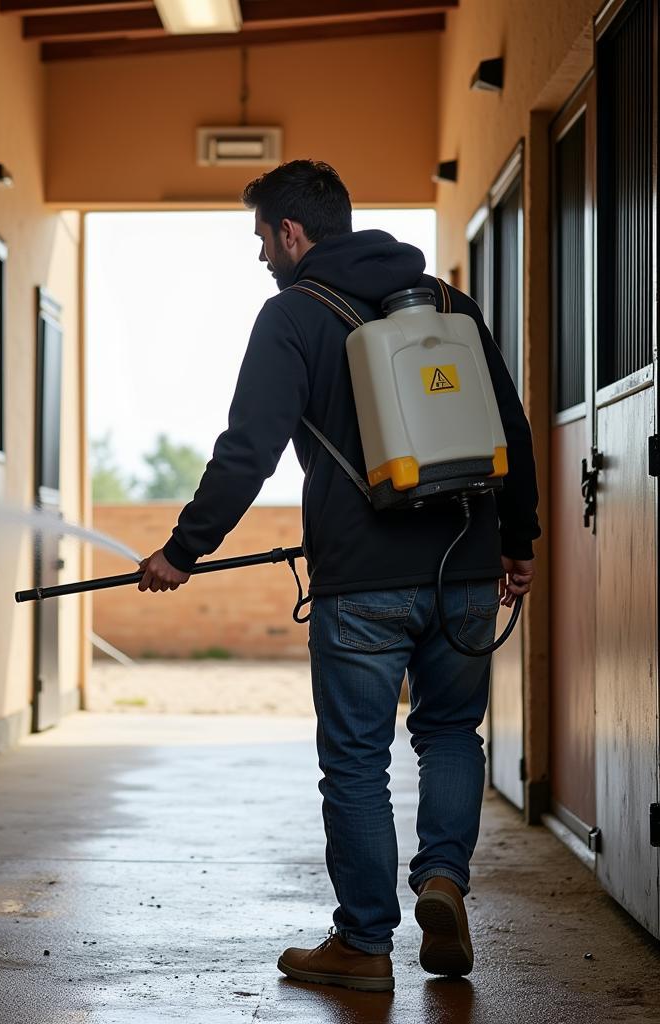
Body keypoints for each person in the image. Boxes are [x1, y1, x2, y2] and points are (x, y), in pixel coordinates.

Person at [137, 160, 539, 993]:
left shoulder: (292, 315)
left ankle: (363, 944)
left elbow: (246, 450)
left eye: (261, 238)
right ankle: (442, 881)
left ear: (292, 232)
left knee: (357, 759)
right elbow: (512, 425)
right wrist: (519, 540)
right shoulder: (446, 304)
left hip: (361, 584)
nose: (260, 257)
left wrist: (184, 550)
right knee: (450, 735)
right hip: (465, 567)